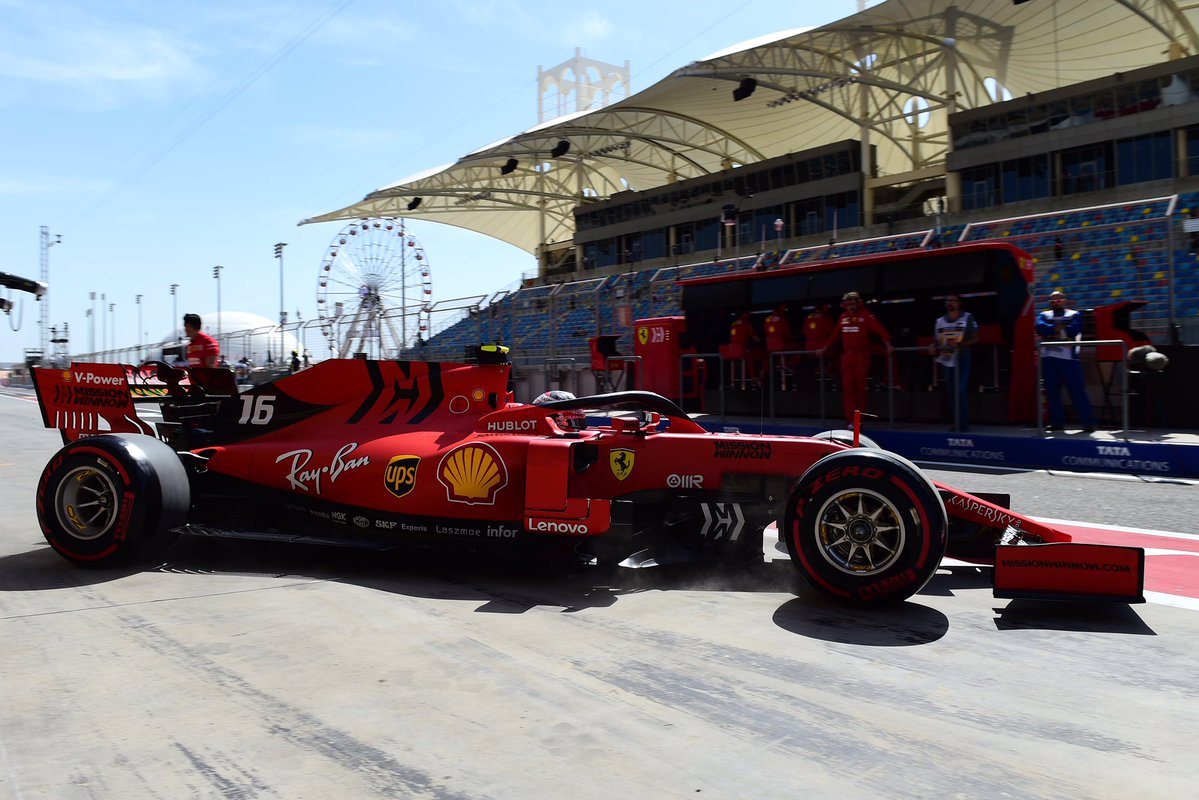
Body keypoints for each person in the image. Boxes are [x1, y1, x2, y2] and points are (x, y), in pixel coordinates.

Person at [820, 291, 892, 427]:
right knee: (848, 389)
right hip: (847, 356)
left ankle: (859, 420)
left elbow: (879, 329)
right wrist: (824, 349)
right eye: (849, 303)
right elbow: (834, 336)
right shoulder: (843, 317)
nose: (851, 305)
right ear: (845, 305)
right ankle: (849, 420)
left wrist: (887, 343)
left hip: (862, 356)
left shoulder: (865, 315)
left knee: (860, 389)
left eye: (854, 302)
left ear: (858, 303)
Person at [1035, 290, 1096, 432]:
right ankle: (1057, 423)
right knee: (1052, 392)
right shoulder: (1043, 315)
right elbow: (1040, 328)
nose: (1056, 303)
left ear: (1065, 300)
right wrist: (1061, 329)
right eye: (1053, 301)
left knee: (1077, 392)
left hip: (1069, 360)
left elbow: (1073, 331)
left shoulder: (1074, 314)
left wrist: (1052, 333)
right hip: (1049, 359)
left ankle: (1088, 423)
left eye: (1059, 300)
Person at [929, 294, 978, 432]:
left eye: (953, 301)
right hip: (947, 359)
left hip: (962, 357)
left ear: (959, 303)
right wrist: (933, 345)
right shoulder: (939, 321)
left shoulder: (967, 317)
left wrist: (962, 345)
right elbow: (936, 339)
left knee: (960, 388)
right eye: (947, 301)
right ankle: (957, 422)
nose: (950, 303)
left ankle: (964, 423)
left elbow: (975, 338)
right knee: (951, 391)